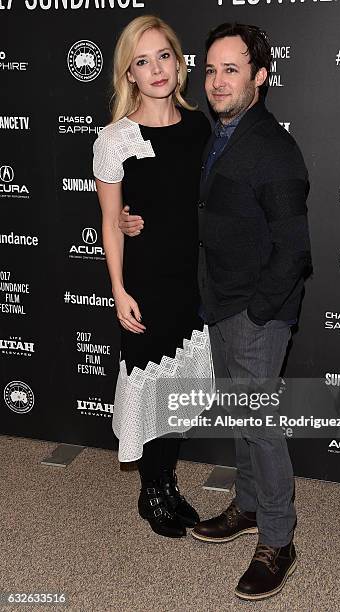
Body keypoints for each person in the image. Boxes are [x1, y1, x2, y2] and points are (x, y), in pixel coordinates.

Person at [119, 21, 312, 601]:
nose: (218, 81)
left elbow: (295, 250)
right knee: (241, 418)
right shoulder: (216, 133)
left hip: (255, 309)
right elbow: (188, 203)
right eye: (211, 69)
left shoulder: (273, 148)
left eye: (232, 70)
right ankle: (248, 507)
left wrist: (256, 314)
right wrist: (136, 220)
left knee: (260, 426)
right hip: (219, 300)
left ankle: (278, 538)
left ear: (261, 76)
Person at [92, 15, 213, 540]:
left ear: (179, 62)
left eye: (163, 55)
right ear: (130, 75)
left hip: (191, 280)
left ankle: (168, 482)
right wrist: (118, 289)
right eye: (142, 61)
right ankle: (151, 491)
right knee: (149, 383)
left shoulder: (200, 127)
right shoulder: (115, 139)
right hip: (143, 282)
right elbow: (110, 221)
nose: (156, 68)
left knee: (178, 387)